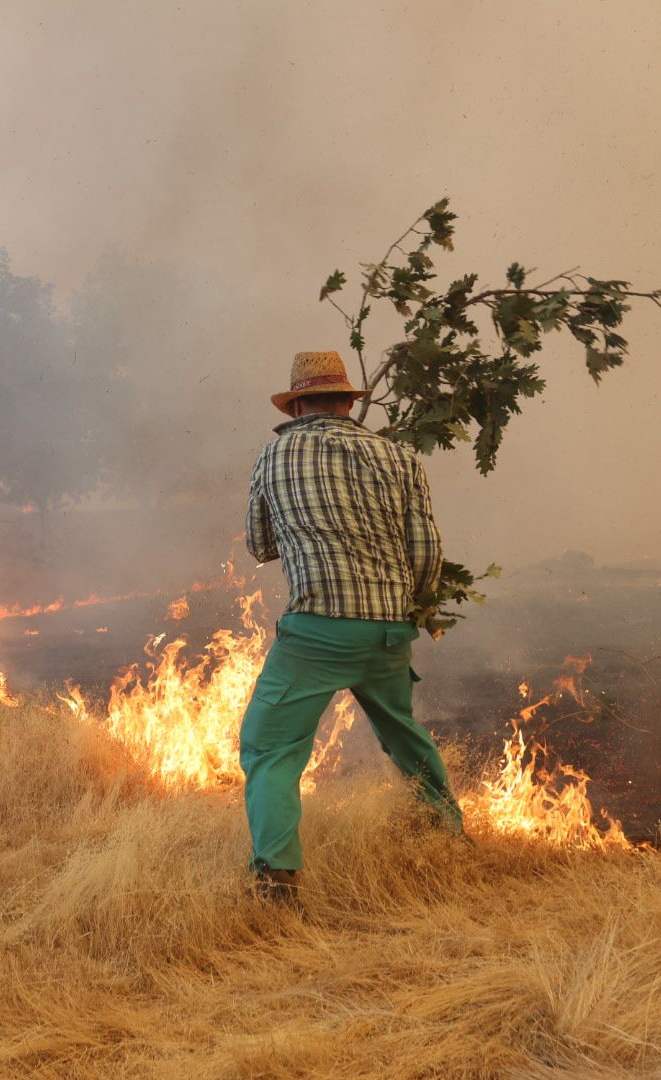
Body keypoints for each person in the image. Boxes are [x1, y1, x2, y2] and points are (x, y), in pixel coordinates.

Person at [241, 350, 464, 904]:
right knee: (403, 734)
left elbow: (259, 545)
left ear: (297, 405)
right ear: (348, 401)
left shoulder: (274, 455)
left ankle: (276, 876)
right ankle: (450, 835)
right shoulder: (398, 456)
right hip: (388, 632)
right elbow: (426, 553)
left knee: (269, 748)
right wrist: (403, 608)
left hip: (316, 632)